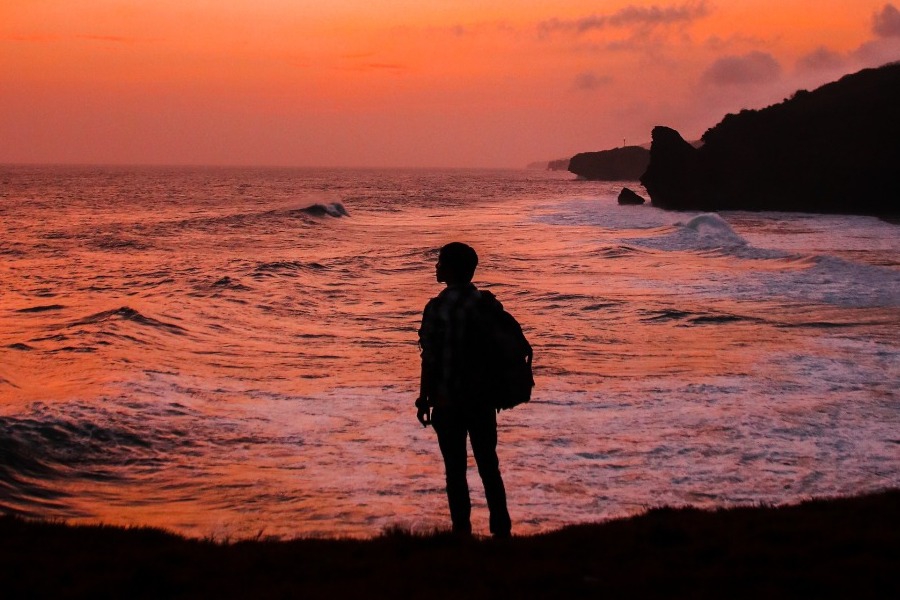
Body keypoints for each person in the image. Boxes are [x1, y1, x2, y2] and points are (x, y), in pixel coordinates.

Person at [416, 242, 512, 538]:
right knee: (489, 466)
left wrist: (424, 398)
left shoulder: (436, 307)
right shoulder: (487, 303)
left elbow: (429, 358)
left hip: (447, 401)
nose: (436, 266)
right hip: (482, 400)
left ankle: (462, 532)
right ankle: (502, 532)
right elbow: (503, 347)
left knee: (455, 471)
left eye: (441, 262)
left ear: (453, 269)